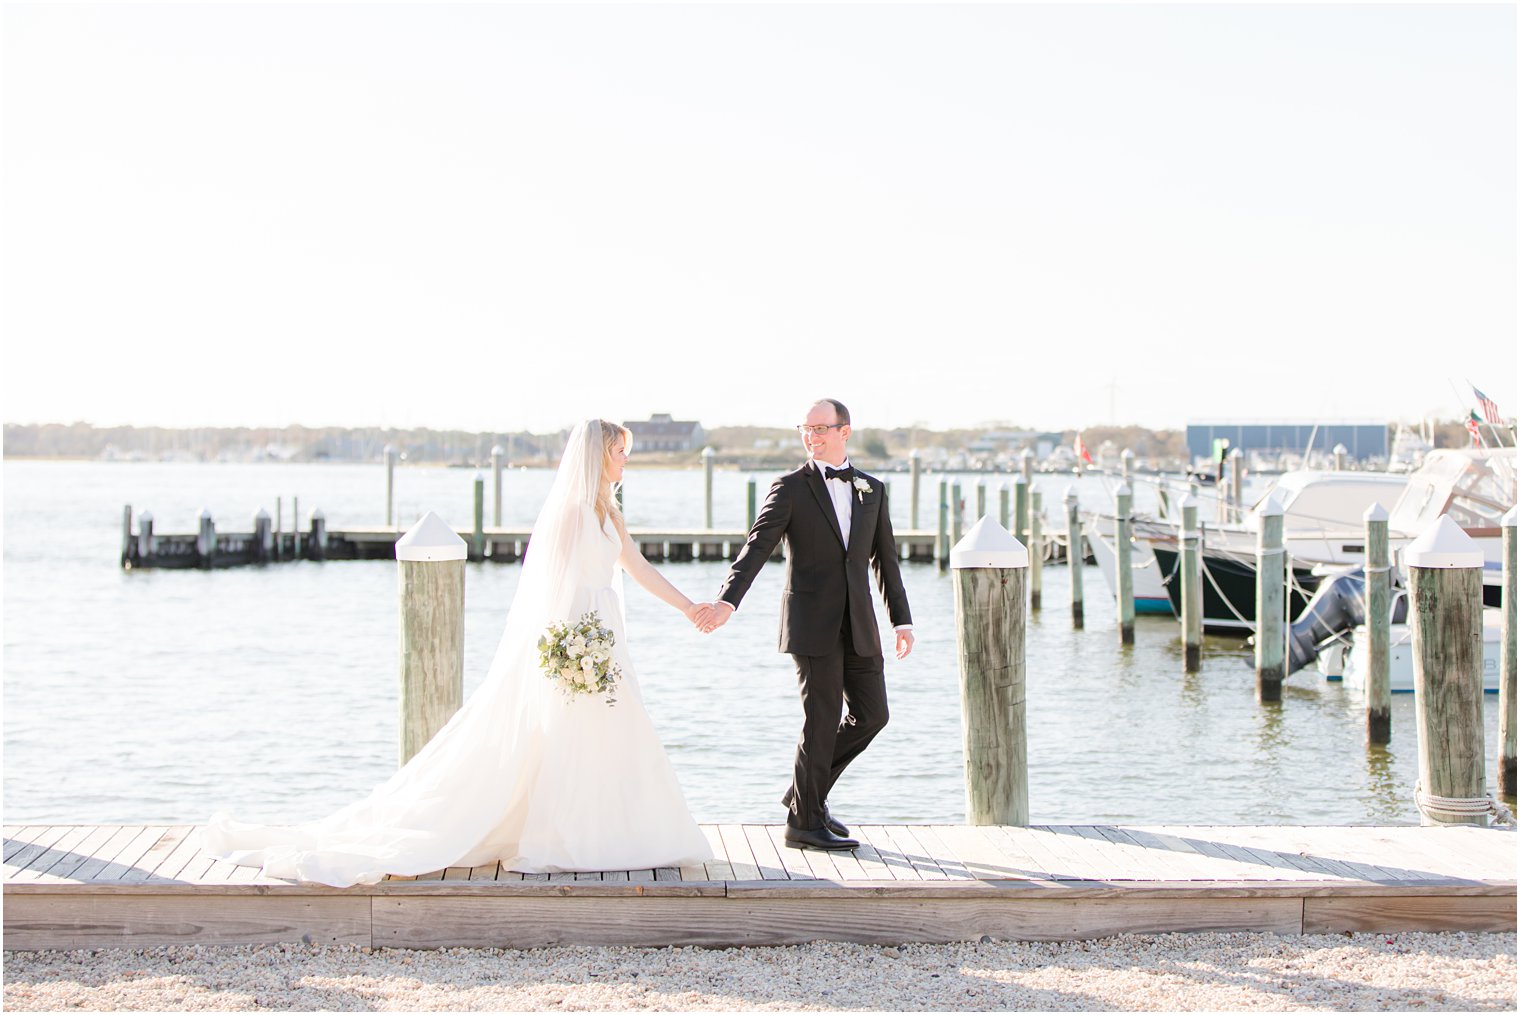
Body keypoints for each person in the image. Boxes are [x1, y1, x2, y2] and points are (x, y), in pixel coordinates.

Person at [203, 420, 715, 886]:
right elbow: (546, 592)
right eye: (619, 452)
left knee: (615, 731)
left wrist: (689, 606)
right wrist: (565, 652)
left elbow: (640, 569)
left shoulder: (610, 513)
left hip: (605, 640)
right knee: (568, 734)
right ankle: (566, 836)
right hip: (575, 645)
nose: (625, 460)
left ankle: (621, 831)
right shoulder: (569, 515)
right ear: (596, 456)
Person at [699, 398, 913, 851]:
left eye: (820, 428)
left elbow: (884, 559)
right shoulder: (790, 487)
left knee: (874, 715)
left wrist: (901, 620)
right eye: (806, 429)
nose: (811, 436)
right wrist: (727, 602)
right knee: (821, 720)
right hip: (811, 623)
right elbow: (757, 547)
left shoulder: (871, 489)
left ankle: (806, 798)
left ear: (844, 431)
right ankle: (804, 821)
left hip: (859, 624)